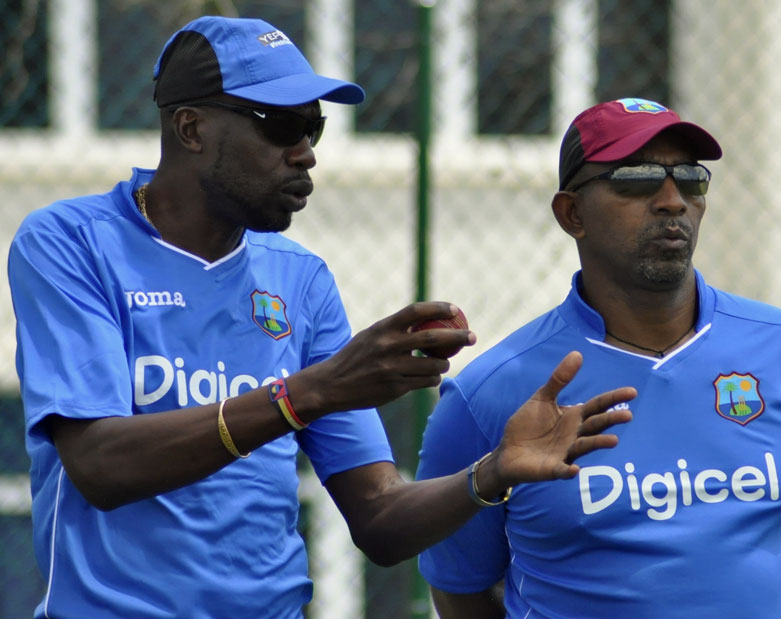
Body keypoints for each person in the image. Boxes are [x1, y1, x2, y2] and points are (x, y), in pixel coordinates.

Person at [7, 17, 638, 619]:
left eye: (315, 127)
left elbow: (382, 521)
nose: (306, 154)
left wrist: (490, 472)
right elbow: (101, 466)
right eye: (280, 126)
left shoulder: (299, 278)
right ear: (191, 129)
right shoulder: (71, 243)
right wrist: (311, 393)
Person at [415, 97, 781, 619]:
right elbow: (458, 588)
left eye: (690, 178)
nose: (672, 200)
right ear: (572, 213)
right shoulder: (488, 393)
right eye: (638, 178)